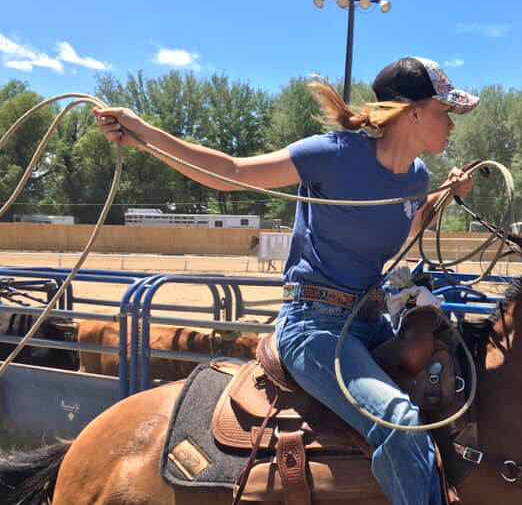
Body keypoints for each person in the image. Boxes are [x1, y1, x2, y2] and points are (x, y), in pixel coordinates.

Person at [94, 56, 478, 505]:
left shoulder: (417, 177)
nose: (451, 123)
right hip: (314, 327)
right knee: (398, 422)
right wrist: (144, 134)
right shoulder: (332, 154)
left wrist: (442, 197)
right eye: (445, 110)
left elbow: (405, 227)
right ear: (412, 112)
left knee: (463, 377)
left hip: (370, 321)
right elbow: (231, 173)